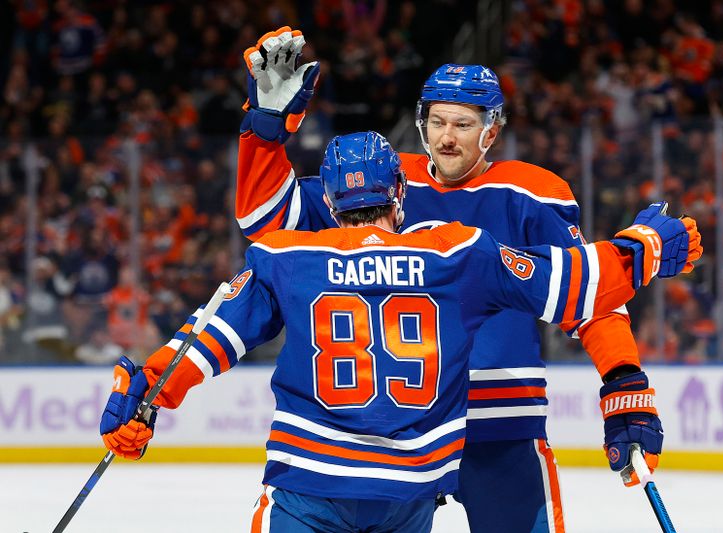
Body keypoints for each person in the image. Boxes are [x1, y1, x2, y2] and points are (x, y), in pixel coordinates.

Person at [100, 130, 701, 532]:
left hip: (312, 484)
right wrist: (643, 248)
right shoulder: (456, 253)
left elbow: (206, 339)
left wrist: (147, 394)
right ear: (400, 194)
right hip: (408, 494)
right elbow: (574, 285)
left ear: (330, 203)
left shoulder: (287, 255)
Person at [234, 27, 678, 532]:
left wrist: (623, 380)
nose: (447, 136)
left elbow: (584, 294)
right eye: (438, 121)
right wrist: (265, 131)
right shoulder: (382, 177)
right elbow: (265, 220)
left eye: (464, 124)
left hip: (500, 424)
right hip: (400, 437)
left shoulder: (531, 191)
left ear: (491, 130)